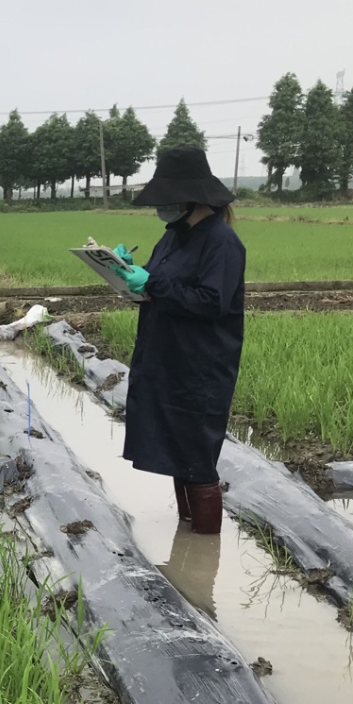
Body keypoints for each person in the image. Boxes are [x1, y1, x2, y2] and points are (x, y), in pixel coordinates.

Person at [108, 145, 246, 536]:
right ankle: (187, 531)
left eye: (166, 199)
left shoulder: (222, 243)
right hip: (165, 359)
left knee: (198, 457)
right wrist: (126, 270)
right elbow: (155, 286)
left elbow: (212, 301)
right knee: (177, 453)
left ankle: (204, 549)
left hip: (200, 367)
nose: (161, 208)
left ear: (189, 198)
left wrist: (153, 282)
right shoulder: (173, 237)